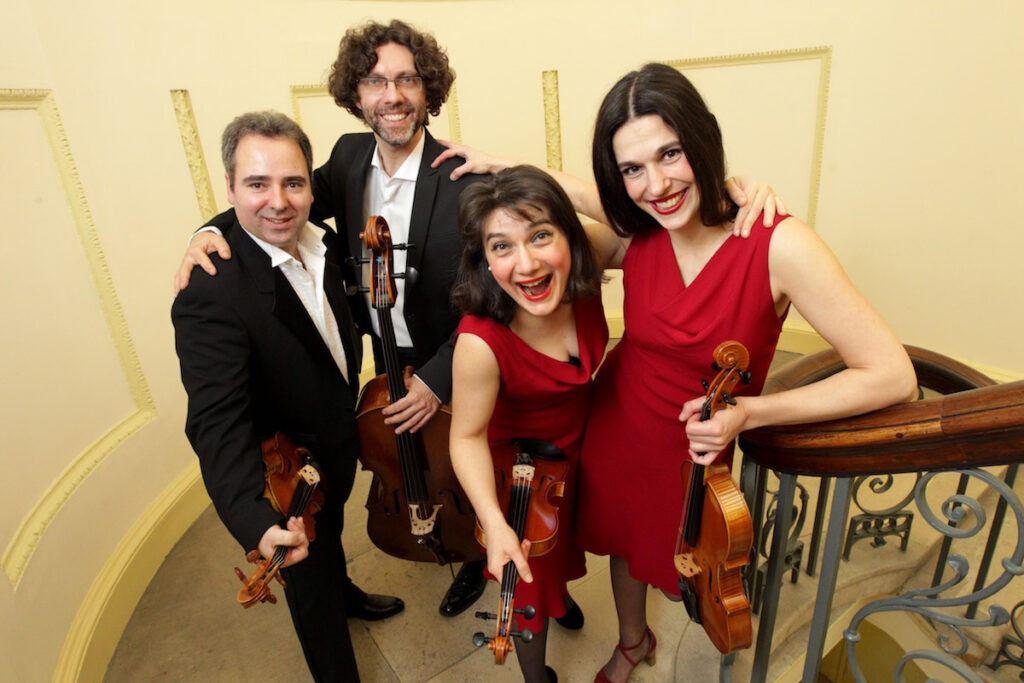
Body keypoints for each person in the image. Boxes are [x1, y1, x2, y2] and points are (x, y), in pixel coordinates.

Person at [572, 63, 918, 682]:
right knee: (622, 546)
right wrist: (489, 165)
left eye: (670, 153)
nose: (656, 185)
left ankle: (644, 636)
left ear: (702, 138)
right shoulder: (640, 231)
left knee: (682, 562)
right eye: (632, 169)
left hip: (693, 450)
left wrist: (754, 412)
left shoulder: (778, 242)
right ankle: (632, 640)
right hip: (617, 425)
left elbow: (893, 376)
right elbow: (557, 208)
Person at [175, 19, 486, 619]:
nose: (392, 96)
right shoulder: (347, 157)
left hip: (453, 354)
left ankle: (473, 554)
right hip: (384, 352)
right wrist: (205, 231)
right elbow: (277, 202)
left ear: (428, 88)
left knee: (466, 458)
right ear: (356, 94)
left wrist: (438, 378)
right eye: (375, 81)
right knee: (407, 460)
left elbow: (492, 297)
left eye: (407, 80)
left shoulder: (462, 179)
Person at [172, 111, 365, 681]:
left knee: (333, 542)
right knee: (311, 590)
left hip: (334, 441)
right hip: (286, 471)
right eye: (257, 184)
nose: (278, 202)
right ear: (230, 188)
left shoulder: (324, 240)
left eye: (293, 183)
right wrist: (255, 521)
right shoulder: (210, 291)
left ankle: (346, 591)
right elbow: (215, 423)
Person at [448, 166, 608, 682]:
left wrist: (730, 191)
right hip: (523, 475)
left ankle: (560, 598)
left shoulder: (579, 277)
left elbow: (638, 220)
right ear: (484, 260)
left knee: (567, 550)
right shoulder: (479, 342)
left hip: (581, 451)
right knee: (528, 585)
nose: (527, 264)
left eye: (541, 235)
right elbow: (465, 436)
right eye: (501, 246)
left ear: (570, 236)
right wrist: (494, 523)